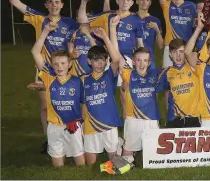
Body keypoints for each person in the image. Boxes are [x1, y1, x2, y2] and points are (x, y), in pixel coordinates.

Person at [10, 0, 78, 153]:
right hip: (44, 68)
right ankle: (48, 139)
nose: (54, 5)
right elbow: (14, 1)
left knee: (68, 105)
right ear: (46, 5)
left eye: (57, 2)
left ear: (62, 4)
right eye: (50, 2)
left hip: (66, 70)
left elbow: (78, 39)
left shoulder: (70, 23)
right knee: (45, 106)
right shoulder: (39, 18)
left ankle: (71, 135)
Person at [31, 21, 85, 167]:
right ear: (52, 65)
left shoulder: (76, 81)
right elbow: (35, 52)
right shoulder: (49, 78)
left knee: (80, 164)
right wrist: (45, 31)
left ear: (69, 64)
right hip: (54, 126)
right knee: (58, 166)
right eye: (55, 64)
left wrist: (81, 123)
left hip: (72, 125)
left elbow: (83, 105)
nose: (59, 67)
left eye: (62, 63)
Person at [80, 17, 123, 165]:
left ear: (105, 61)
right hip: (90, 125)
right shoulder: (83, 79)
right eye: (96, 59)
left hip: (109, 124)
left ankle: (118, 143)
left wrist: (105, 36)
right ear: (89, 61)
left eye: (102, 60)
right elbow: (82, 103)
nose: (99, 63)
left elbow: (116, 59)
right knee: (90, 163)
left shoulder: (109, 75)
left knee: (115, 161)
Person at [119, 47, 166, 164]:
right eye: (138, 60)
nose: (142, 64)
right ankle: (122, 147)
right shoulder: (129, 74)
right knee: (126, 160)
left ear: (149, 63)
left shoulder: (155, 74)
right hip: (133, 119)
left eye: (145, 60)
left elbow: (174, 70)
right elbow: (116, 57)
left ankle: (125, 147)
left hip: (151, 119)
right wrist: (110, 32)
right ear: (133, 62)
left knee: (154, 158)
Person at [159, 39, 201, 128]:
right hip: (174, 118)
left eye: (181, 51)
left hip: (193, 118)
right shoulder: (166, 72)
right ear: (170, 54)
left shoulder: (194, 67)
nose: (178, 55)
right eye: (174, 52)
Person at [135, 0, 164, 69]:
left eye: (147, 0)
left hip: (149, 59)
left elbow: (160, 46)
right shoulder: (130, 18)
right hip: (132, 58)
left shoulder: (155, 20)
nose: (144, 2)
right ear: (137, 1)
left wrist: (157, 30)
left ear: (150, 3)